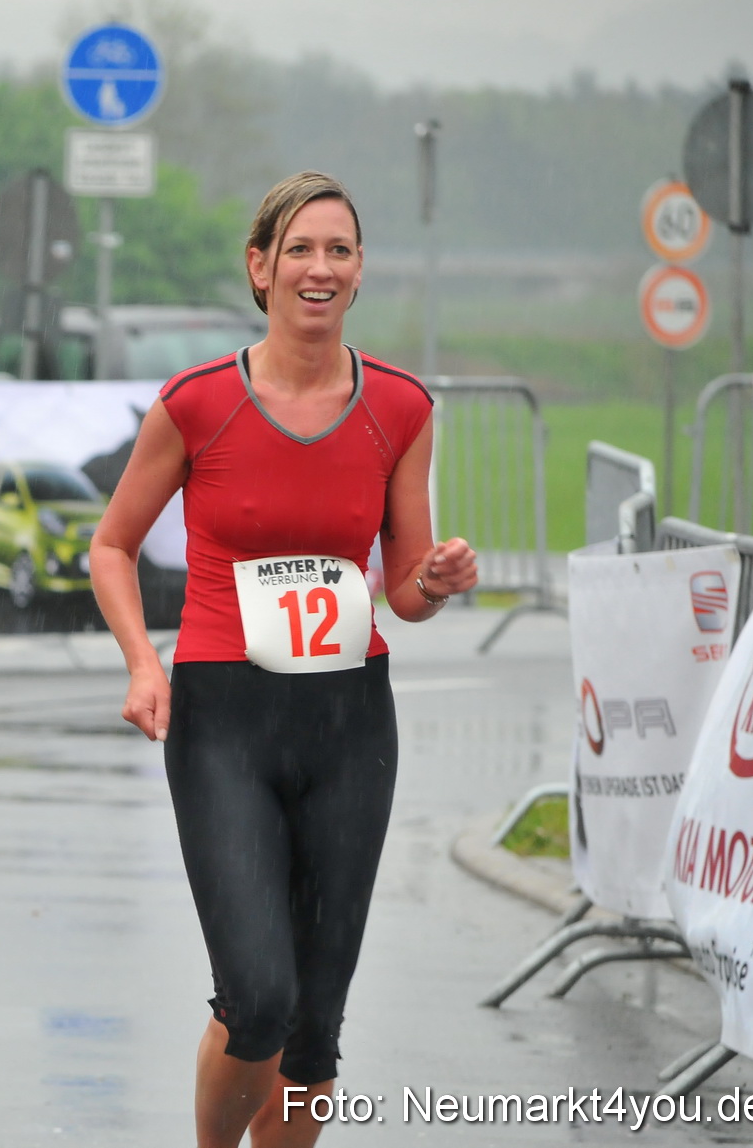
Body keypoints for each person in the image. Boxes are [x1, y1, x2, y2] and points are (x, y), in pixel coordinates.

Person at [88, 171, 478, 1148]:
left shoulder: (399, 405)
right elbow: (110, 547)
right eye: (298, 249)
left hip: (351, 723)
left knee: (312, 1027)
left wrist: (435, 577)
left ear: (358, 272)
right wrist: (143, 662)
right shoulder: (197, 403)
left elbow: (400, 591)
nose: (319, 268)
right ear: (258, 268)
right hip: (223, 719)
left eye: (338, 250)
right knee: (257, 996)